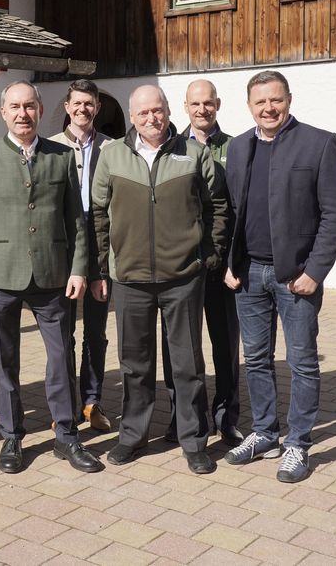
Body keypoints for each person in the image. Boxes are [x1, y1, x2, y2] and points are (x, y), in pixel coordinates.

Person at [0, 80, 103, 474]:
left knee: (61, 358)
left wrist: (79, 268)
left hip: (53, 274)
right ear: (3, 112)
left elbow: (76, 220)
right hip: (1, 275)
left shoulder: (61, 156)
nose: (23, 113)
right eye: (15, 107)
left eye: (29, 106)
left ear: (41, 111)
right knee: (5, 360)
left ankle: (66, 435)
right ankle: (11, 436)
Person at [91, 84, 228, 474]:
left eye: (158, 110)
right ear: (132, 117)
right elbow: (99, 215)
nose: (152, 118)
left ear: (168, 111)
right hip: (130, 278)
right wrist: (105, 267)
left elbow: (216, 205)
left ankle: (193, 440)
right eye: (143, 113)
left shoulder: (194, 154)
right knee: (135, 364)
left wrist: (209, 254)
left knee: (186, 364)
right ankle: (132, 436)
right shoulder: (112, 155)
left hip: (182, 277)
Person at [223, 70, 336, 483]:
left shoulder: (318, 143)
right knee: (256, 359)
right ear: (249, 106)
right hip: (248, 274)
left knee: (302, 361)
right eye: (260, 102)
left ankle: (297, 442)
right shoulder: (239, 147)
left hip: (295, 277)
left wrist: (315, 270)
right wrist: (231, 262)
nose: (268, 108)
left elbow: (335, 212)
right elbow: (233, 213)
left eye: (275, 100)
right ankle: (264, 432)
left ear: (289, 100)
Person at [163, 79, 243, 447]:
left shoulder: (237, 148)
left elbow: (239, 209)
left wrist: (232, 261)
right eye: (195, 104)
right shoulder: (171, 148)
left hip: (223, 268)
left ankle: (226, 417)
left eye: (208, 103)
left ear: (218, 104)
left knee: (225, 346)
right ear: (185, 107)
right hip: (182, 268)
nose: (202, 110)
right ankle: (183, 416)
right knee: (179, 348)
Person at [48, 79, 113, 432]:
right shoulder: (51, 148)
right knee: (62, 334)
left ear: (97, 107)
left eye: (89, 103)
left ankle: (92, 402)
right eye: (77, 103)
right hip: (63, 250)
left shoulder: (112, 148)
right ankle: (66, 404)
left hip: (100, 248)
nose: (83, 109)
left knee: (96, 332)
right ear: (67, 106)